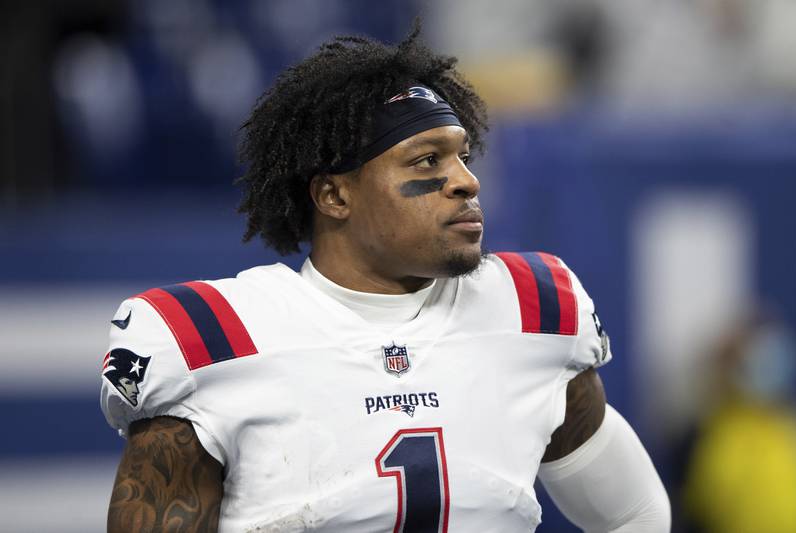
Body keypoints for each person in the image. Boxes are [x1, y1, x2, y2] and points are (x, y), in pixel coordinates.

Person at [100, 23, 670, 532]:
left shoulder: (530, 311)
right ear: (334, 194)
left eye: (463, 157)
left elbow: (634, 512)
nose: (466, 182)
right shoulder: (215, 340)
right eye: (428, 161)